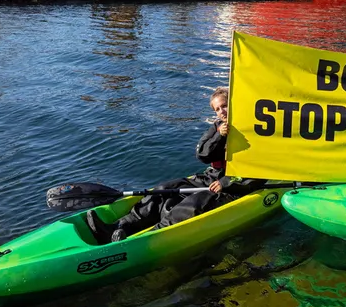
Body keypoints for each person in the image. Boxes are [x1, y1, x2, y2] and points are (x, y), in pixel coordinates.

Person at [86, 87, 266, 244]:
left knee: (196, 201)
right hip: (211, 177)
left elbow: (260, 168)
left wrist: (226, 182)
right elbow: (203, 154)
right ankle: (122, 226)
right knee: (165, 189)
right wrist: (220, 136)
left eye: (224, 106)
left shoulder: (254, 130)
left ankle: (150, 236)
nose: (222, 112)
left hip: (234, 184)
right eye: (217, 109)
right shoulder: (218, 127)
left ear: (234, 104)